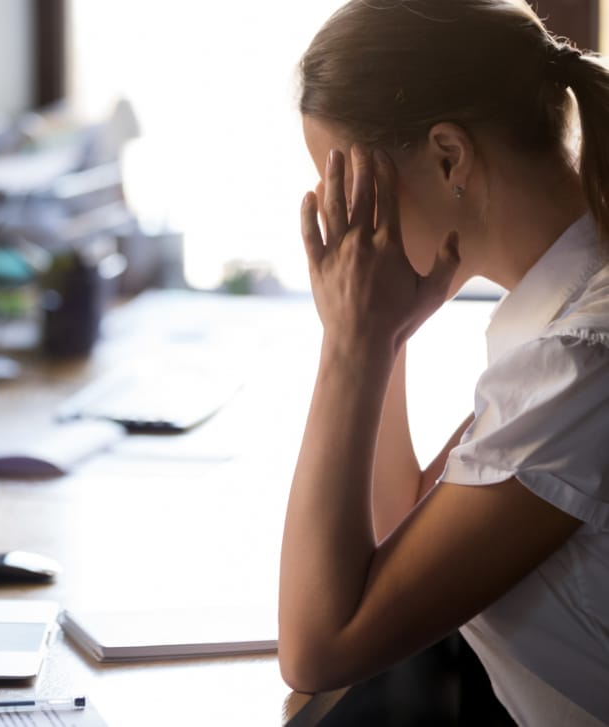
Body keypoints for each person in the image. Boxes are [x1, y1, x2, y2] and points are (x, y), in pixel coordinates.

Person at [277, 1, 609, 725]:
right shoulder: (562, 315)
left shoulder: (578, 362)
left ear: (448, 156)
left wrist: (349, 342)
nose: (345, 226)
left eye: (348, 187)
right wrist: (383, 334)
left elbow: (318, 647)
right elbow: (402, 539)